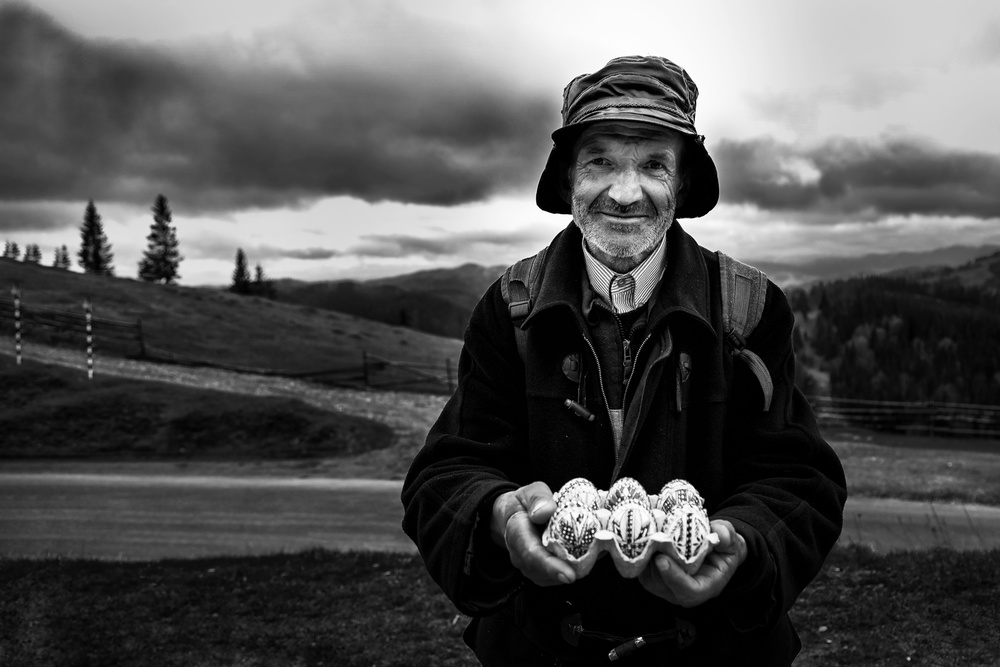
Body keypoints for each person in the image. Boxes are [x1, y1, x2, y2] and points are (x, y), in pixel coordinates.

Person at [401, 55, 847, 666]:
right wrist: (499, 517)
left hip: (713, 656)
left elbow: (799, 479)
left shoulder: (750, 308)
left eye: (654, 165)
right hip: (544, 650)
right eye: (601, 161)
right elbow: (446, 473)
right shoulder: (509, 309)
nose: (625, 192)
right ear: (569, 179)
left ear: (681, 185)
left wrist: (742, 544)